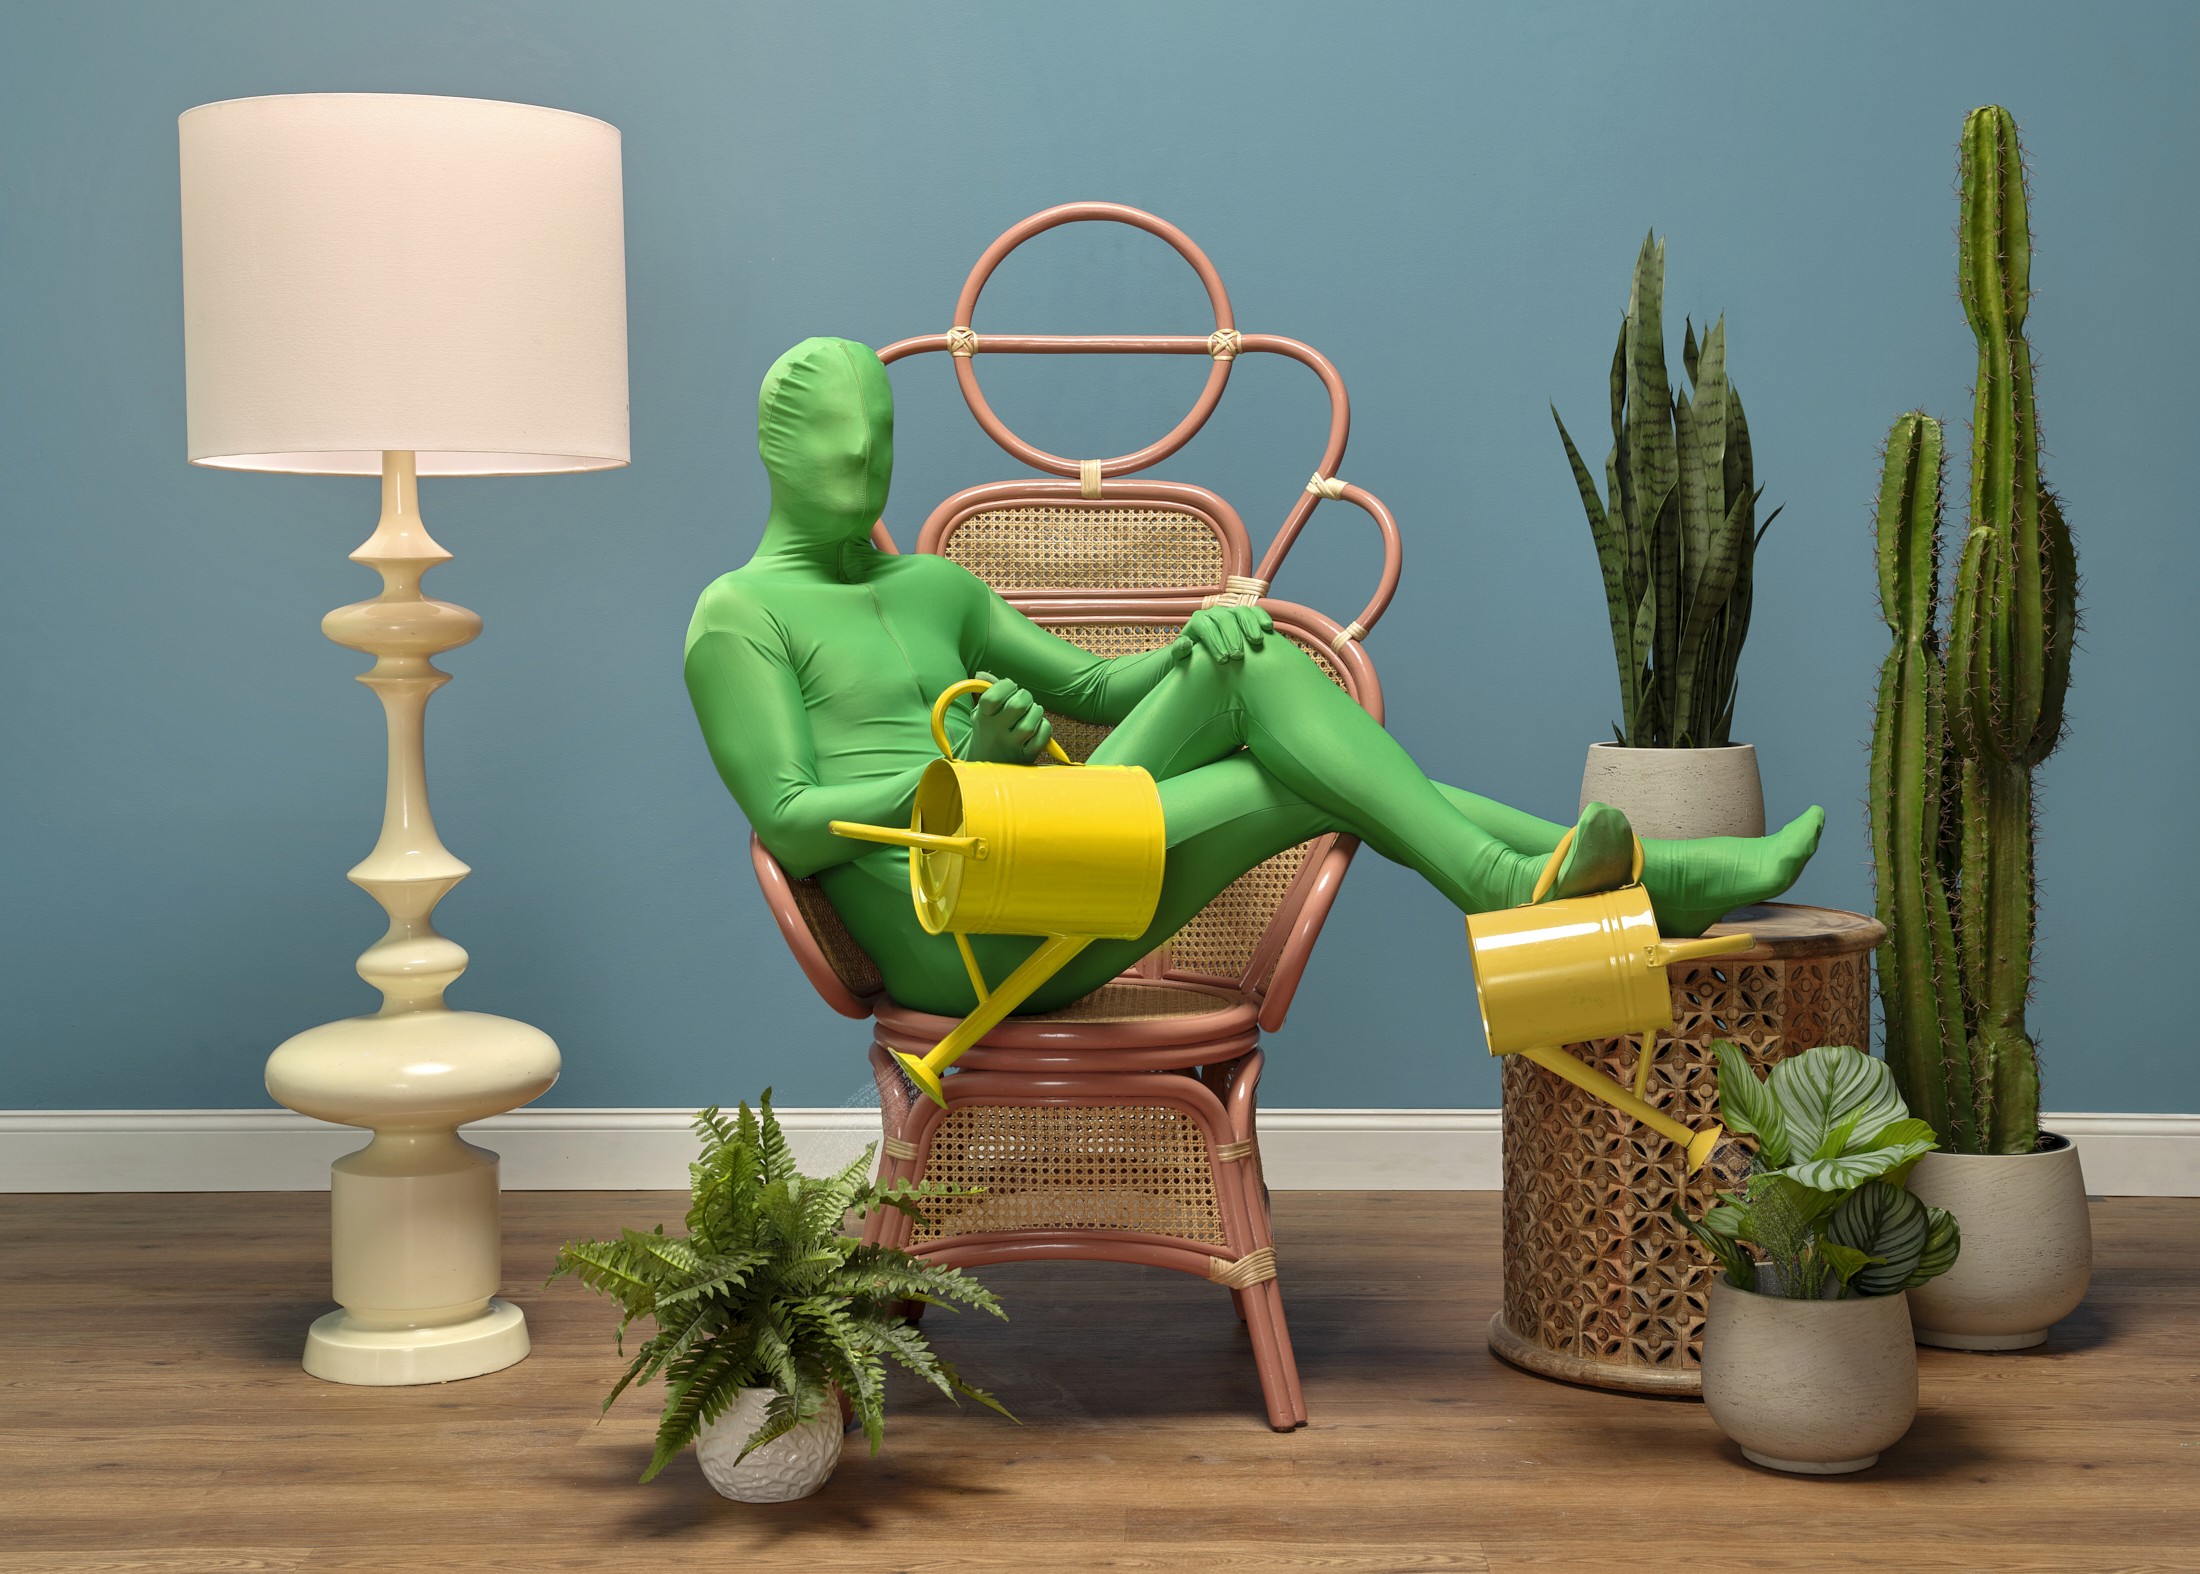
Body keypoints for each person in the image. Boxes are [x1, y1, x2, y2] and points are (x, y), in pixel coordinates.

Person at [686, 338, 1822, 1017]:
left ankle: (1550, 882)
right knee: (1284, 742)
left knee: (1247, 665)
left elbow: (1100, 694)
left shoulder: (937, 586)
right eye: (840, 442)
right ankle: (1618, 880)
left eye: (881, 437)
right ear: (777, 451)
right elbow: (788, 822)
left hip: (1049, 856)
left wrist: (1194, 640)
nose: (868, 459)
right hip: (955, 934)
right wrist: (958, 779)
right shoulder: (738, 615)